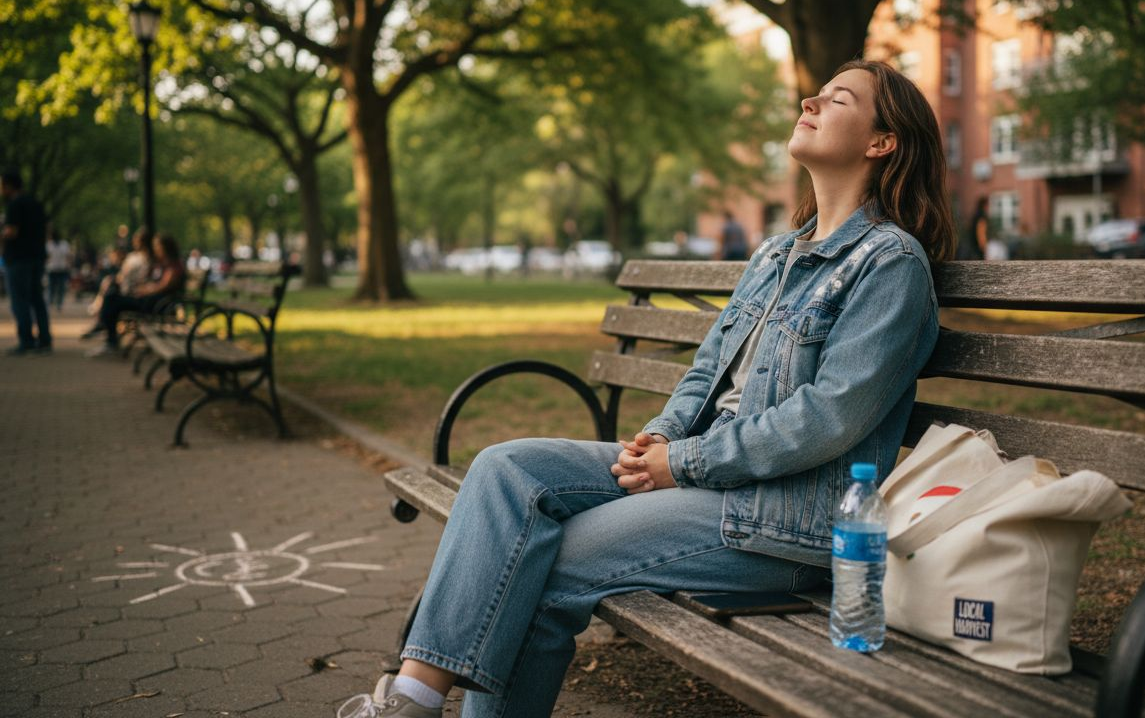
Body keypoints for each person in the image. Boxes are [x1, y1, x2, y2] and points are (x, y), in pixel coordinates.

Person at [337, 60, 956, 718]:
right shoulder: (777, 254)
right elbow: (706, 370)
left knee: (547, 564)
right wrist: (661, 435)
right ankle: (413, 698)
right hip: (707, 474)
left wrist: (682, 462)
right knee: (502, 468)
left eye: (837, 99)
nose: (809, 100)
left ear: (881, 141)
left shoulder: (891, 265)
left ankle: (410, 705)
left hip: (784, 520)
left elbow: (827, 419)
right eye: (817, 92)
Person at [86, 234, 185, 357]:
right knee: (112, 296)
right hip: (150, 301)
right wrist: (143, 288)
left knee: (112, 299)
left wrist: (146, 290)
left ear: (166, 248)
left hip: (157, 305)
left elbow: (163, 286)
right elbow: (155, 283)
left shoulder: (173, 266)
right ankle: (108, 335)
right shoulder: (163, 264)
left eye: (158, 246)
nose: (155, 249)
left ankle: (110, 340)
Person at [2, 170, 52, 355]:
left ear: (8, 185)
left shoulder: (14, 204)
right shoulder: (36, 203)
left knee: (20, 300)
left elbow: (11, 232)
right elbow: (47, 228)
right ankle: (45, 339)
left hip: (18, 258)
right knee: (37, 298)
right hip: (36, 257)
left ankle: (27, 340)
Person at [46, 228, 73, 312]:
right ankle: (50, 303)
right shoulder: (49, 244)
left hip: (62, 268)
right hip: (52, 269)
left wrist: (68, 265)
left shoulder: (64, 244)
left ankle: (59, 304)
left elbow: (68, 256)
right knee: (51, 287)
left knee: (61, 287)